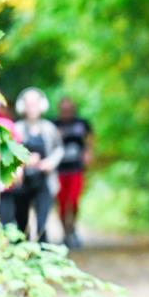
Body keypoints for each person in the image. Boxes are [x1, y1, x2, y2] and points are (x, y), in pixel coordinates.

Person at [7, 87, 63, 242]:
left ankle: (42, 256)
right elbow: (9, 153)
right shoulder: (16, 128)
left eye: (35, 104)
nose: (32, 108)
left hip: (44, 182)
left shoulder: (49, 128)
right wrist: (23, 163)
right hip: (22, 184)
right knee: (21, 224)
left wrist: (49, 163)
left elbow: (59, 149)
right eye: (29, 104)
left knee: (42, 225)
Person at [53, 98, 93, 249]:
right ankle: (65, 232)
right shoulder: (55, 125)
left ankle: (73, 227)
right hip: (59, 170)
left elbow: (90, 139)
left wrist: (88, 153)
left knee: (74, 200)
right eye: (64, 110)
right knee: (62, 203)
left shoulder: (82, 123)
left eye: (69, 109)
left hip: (76, 168)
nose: (66, 112)